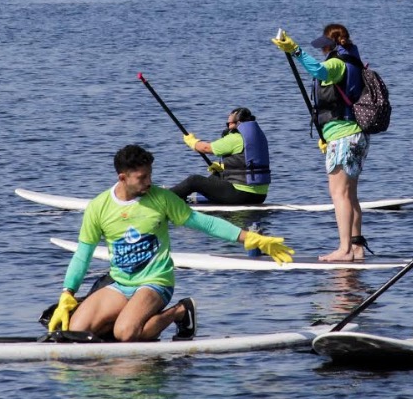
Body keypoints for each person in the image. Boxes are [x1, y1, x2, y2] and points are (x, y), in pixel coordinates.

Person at [47, 144, 293, 341]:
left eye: (150, 175)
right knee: (77, 332)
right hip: (120, 283)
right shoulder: (99, 207)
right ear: (123, 178)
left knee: (126, 333)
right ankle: (119, 318)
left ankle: (180, 311)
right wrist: (67, 293)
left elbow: (203, 222)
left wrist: (248, 238)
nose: (149, 182)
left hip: (156, 282)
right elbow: (83, 254)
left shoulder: (162, 199)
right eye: (142, 177)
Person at [272, 23, 370, 262]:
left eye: (325, 45)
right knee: (350, 195)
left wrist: (295, 51)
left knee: (339, 194)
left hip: (344, 136)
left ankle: (344, 249)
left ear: (333, 44)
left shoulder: (337, 63)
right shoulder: (352, 60)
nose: (323, 50)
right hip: (354, 135)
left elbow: (319, 71)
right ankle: (357, 247)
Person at [170, 107, 270, 205]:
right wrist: (223, 168)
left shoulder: (236, 138)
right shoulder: (257, 138)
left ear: (237, 123)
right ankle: (187, 195)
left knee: (194, 181)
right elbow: (248, 162)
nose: (227, 127)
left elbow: (205, 148)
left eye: (228, 123)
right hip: (260, 195)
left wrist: (192, 142)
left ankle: (164, 198)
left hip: (242, 194)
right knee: (216, 176)